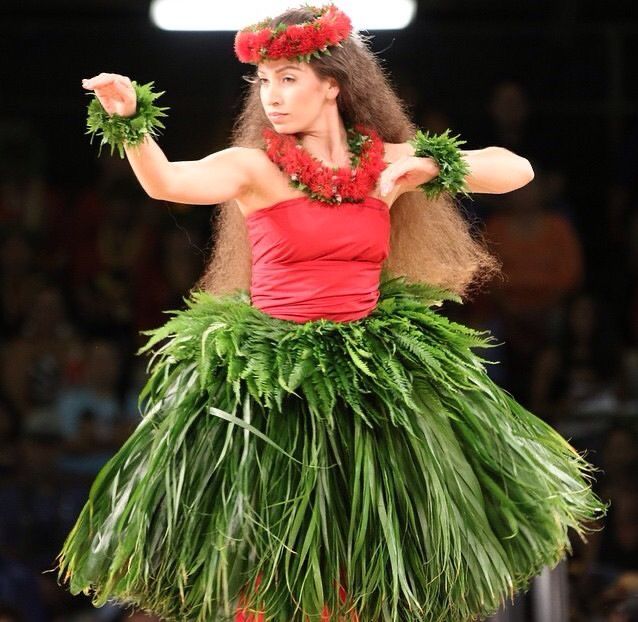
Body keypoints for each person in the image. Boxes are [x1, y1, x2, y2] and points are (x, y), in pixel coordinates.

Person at [53, 5, 607, 622]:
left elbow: (515, 169)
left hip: (370, 379)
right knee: (269, 565)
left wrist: (429, 164)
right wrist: (130, 122)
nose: (273, 96)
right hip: (274, 386)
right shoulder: (256, 168)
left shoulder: (384, 164)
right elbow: (168, 183)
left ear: (333, 83)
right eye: (262, 82)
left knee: (364, 561)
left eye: (288, 78)